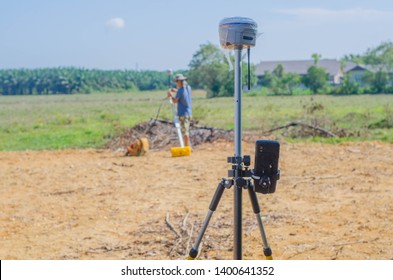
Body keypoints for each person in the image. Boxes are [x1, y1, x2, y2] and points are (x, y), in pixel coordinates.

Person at [167, 74, 192, 147]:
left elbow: (175, 101)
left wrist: (170, 95)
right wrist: (176, 90)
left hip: (183, 114)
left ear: (179, 82)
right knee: (186, 130)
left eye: (176, 81)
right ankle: (189, 147)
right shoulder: (188, 88)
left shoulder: (180, 91)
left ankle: (187, 148)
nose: (176, 83)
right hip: (189, 113)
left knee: (185, 133)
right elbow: (183, 93)